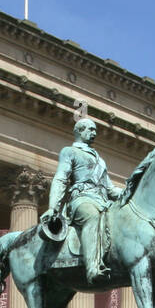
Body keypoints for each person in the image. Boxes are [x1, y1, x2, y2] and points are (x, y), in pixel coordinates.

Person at [46, 118, 121, 282]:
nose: (94, 133)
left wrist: (131, 192)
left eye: (95, 130)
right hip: (81, 199)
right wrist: (53, 207)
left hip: (102, 201)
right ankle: (92, 268)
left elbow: (110, 189)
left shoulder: (100, 161)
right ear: (79, 131)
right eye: (90, 129)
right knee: (92, 216)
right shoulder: (70, 152)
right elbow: (60, 178)